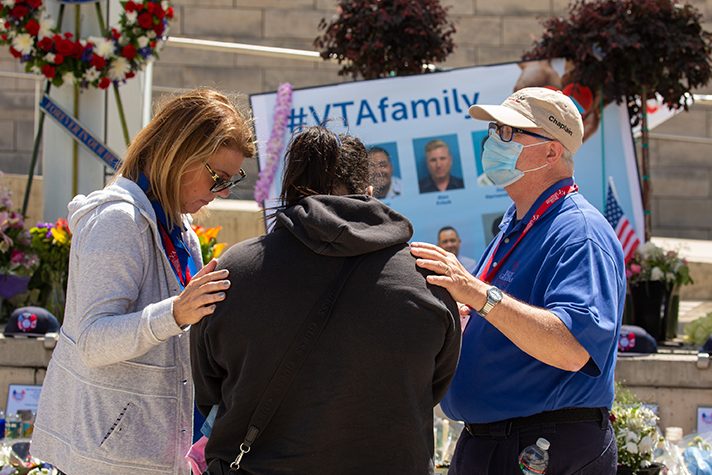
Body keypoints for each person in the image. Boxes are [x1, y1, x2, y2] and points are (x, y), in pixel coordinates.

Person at [191, 126, 460, 475]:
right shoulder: (428, 277)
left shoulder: (232, 274)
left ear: (289, 191)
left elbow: (209, 389)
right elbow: (435, 384)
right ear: (367, 190)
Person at [31, 89, 256, 475]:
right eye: (216, 178)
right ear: (178, 152)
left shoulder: (178, 227)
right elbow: (91, 340)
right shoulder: (119, 220)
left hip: (150, 455)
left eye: (230, 182)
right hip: (105, 460)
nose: (219, 193)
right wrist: (176, 313)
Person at [410, 87, 624, 474]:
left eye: (511, 132)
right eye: (495, 129)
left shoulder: (580, 230)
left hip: (543, 447)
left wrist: (476, 292)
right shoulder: (518, 223)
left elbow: (573, 347)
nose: (495, 140)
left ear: (552, 152)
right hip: (496, 442)